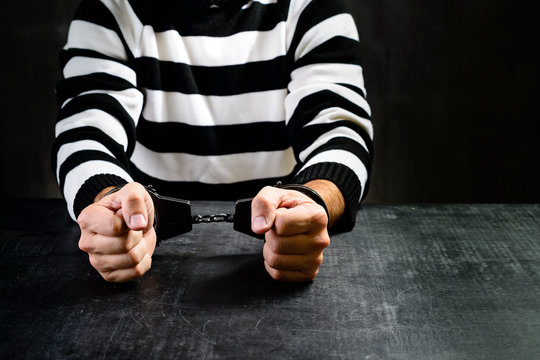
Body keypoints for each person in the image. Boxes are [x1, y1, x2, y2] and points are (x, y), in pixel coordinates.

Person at [53, 0, 373, 283]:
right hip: (144, 246)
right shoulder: (111, 8)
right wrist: (109, 202)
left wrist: (313, 200)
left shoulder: (312, 7)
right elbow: (86, 131)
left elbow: (340, 131)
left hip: (282, 246)